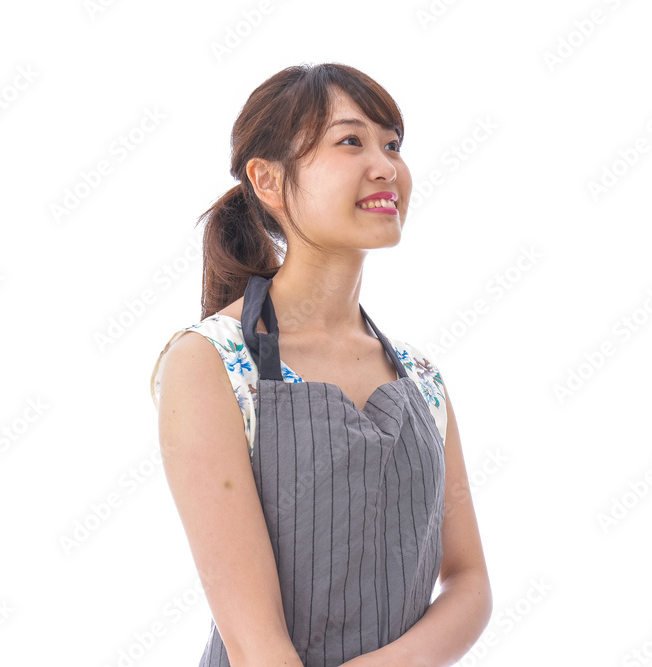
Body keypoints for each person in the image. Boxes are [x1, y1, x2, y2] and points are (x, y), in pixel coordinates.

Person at [149, 63, 491, 667]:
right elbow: (256, 646)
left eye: (393, 144)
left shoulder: (420, 377)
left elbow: (469, 582)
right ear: (268, 180)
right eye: (350, 141)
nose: (385, 166)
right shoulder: (210, 363)